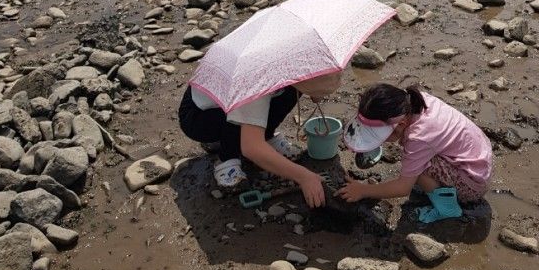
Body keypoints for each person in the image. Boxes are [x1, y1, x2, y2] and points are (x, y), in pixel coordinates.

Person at [178, 72, 340, 206]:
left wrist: (315, 91)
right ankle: (227, 158)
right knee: (239, 119)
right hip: (199, 115)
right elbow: (251, 148)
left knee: (290, 90)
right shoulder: (255, 79)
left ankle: (266, 136)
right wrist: (304, 177)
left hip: (246, 99)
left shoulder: (293, 65)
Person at [337, 83, 492, 223]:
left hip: (473, 182)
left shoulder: (418, 138)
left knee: (419, 169)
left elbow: (402, 188)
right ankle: (438, 187)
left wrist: (363, 190)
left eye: (380, 135)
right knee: (415, 163)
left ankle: (447, 208)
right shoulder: (415, 100)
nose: (382, 141)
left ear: (401, 124)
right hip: (480, 156)